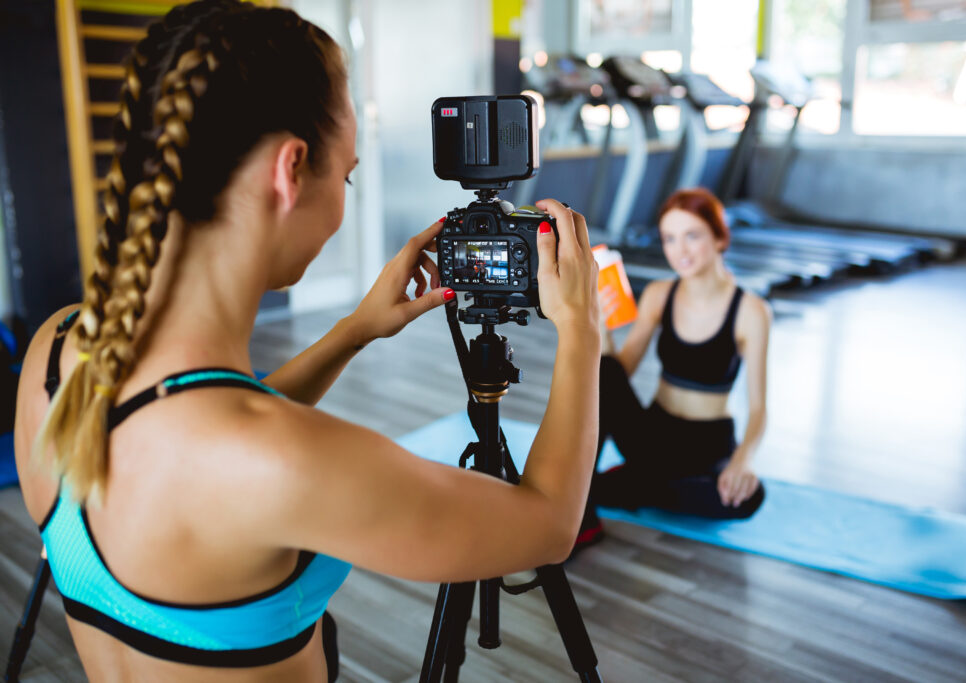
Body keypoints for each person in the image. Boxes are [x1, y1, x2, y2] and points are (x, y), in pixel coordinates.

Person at [13, 2, 600, 680]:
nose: (345, 196)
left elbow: (200, 424)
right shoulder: (286, 461)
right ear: (291, 169)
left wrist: (352, 332)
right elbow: (551, 525)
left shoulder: (56, 354)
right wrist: (582, 329)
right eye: (346, 174)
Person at [577, 188, 771, 549]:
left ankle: (635, 486)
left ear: (719, 237)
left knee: (749, 497)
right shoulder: (659, 294)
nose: (679, 251)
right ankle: (583, 513)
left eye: (692, 236)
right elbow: (617, 373)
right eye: (669, 238)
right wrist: (600, 325)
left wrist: (743, 461)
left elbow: (759, 408)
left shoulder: (751, 311)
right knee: (601, 372)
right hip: (652, 434)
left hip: (706, 446)